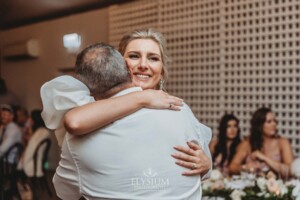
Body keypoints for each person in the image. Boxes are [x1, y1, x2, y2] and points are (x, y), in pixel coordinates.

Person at [48, 43, 211, 199]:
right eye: (134, 56)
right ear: (124, 66)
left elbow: (65, 193)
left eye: (153, 58)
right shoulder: (181, 111)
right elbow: (74, 121)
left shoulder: (179, 108)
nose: (143, 65)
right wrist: (141, 97)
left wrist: (207, 165)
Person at [228, 107, 294, 178]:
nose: (274, 124)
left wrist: (264, 158)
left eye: (275, 121)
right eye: (269, 122)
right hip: (251, 186)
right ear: (259, 125)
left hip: (276, 187)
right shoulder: (248, 143)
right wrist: (245, 167)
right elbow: (232, 167)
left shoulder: (282, 142)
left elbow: (289, 171)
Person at [17, 109, 50, 178]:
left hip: (34, 163)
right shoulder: (40, 131)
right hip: (35, 161)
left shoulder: (41, 132)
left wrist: (22, 162)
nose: (29, 119)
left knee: (16, 174)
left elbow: (30, 150)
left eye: (31, 117)